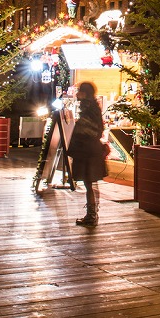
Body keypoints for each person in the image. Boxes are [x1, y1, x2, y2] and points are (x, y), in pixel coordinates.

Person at [66, 81, 108, 227]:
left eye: (79, 91)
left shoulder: (88, 109)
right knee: (91, 182)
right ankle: (92, 213)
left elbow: (86, 130)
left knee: (89, 183)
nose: (77, 94)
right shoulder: (92, 108)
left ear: (85, 93)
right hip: (92, 149)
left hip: (87, 151)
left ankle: (91, 215)